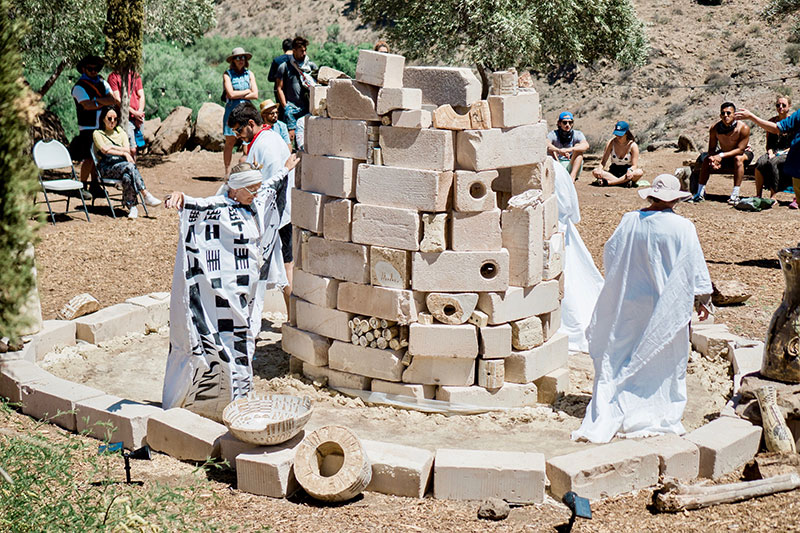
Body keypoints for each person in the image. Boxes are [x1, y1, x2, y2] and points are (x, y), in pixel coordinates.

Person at [572, 174, 712, 443]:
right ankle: (653, 407)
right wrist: (702, 298)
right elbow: (693, 267)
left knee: (622, 351)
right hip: (665, 305)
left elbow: (611, 253)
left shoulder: (629, 221)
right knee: (663, 355)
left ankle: (619, 401)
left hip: (630, 303)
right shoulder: (683, 227)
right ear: (676, 200)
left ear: (651, 196)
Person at [161, 156, 299, 421]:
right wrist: (177, 195)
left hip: (245, 293)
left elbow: (269, 187)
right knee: (225, 343)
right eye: (250, 190)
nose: (255, 194)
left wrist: (285, 169)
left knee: (245, 341)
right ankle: (221, 400)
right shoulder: (219, 206)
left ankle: (241, 398)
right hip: (222, 294)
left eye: (256, 190)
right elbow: (195, 203)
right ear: (235, 188)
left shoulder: (255, 202)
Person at [228, 102, 295, 315]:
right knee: (283, 268)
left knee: (284, 267)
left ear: (250, 123)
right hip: (272, 214)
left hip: (277, 215)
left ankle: (291, 320)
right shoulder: (265, 139)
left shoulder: (266, 144)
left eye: (239, 130)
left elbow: (276, 183)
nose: (238, 135)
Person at [553, 162, 604, 352]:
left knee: (565, 281)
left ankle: (572, 327)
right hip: (563, 229)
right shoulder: (556, 167)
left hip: (555, 231)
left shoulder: (547, 168)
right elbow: (570, 205)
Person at [93, 106, 161, 219]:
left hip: (122, 166)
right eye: (109, 118)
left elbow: (127, 149)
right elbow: (104, 150)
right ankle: (145, 194)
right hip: (106, 167)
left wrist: (112, 148)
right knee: (129, 166)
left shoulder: (121, 133)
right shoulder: (98, 133)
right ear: (103, 119)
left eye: (115, 119)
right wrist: (123, 153)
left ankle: (132, 207)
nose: (112, 121)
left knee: (127, 177)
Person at [737, 102, 800, 211]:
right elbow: (776, 128)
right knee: (762, 162)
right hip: (797, 167)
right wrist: (752, 117)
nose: (780, 107)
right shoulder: (798, 115)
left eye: (783, 105)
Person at [70, 55, 116, 196]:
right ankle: (82, 185)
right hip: (87, 128)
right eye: (90, 68)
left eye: (96, 68)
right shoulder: (79, 87)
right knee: (89, 157)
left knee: (99, 157)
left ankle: (95, 185)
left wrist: (96, 101)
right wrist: (102, 101)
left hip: (101, 126)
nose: (94, 71)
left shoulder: (102, 82)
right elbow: (87, 105)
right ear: (84, 69)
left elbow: (112, 99)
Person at [689, 102, 753, 204]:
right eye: (723, 113)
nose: (725, 116)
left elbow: (740, 150)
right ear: (720, 115)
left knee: (738, 159)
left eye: (728, 113)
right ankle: (699, 193)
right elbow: (711, 148)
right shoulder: (715, 128)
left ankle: (735, 195)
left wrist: (720, 156)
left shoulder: (743, 128)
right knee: (706, 160)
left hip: (744, 153)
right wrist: (713, 159)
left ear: (734, 114)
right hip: (724, 153)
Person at [222, 47, 259, 179]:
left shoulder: (250, 74)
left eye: (243, 57)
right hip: (232, 111)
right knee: (230, 142)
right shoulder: (227, 74)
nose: (240, 60)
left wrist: (239, 94)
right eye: (238, 58)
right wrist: (246, 91)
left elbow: (255, 94)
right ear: (233, 60)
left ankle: (248, 169)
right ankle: (227, 171)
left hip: (246, 111)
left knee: (249, 140)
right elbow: (230, 94)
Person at [275, 36, 317, 146]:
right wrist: (285, 106)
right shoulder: (284, 67)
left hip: (306, 107)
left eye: (305, 50)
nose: (304, 53)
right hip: (291, 108)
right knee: (290, 137)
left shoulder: (310, 66)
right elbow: (279, 88)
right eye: (301, 51)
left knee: (304, 138)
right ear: (294, 51)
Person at [751, 96, 793, 203]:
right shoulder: (771, 121)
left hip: (788, 151)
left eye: (784, 105)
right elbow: (768, 143)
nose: (780, 107)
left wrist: (783, 152)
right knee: (760, 163)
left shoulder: (793, 121)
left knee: (773, 163)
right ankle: (758, 194)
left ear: (789, 107)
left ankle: (773, 196)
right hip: (774, 151)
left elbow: (795, 142)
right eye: (778, 105)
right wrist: (770, 152)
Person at [591, 121, 644, 187]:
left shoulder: (633, 146)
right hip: (613, 171)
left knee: (639, 172)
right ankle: (623, 182)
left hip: (626, 172)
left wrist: (630, 170)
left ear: (626, 133)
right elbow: (603, 161)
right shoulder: (611, 143)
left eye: (620, 134)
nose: (618, 136)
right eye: (616, 134)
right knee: (595, 171)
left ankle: (609, 183)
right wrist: (599, 169)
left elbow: (634, 165)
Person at [107, 69, 146, 159]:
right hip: (125, 118)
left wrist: (139, 112)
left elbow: (141, 95)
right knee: (131, 148)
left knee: (137, 146)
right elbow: (117, 99)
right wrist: (134, 113)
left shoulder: (135, 75)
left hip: (138, 117)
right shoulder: (113, 77)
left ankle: (133, 169)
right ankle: (131, 169)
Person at [546, 111, 589, 181]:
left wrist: (569, 150)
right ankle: (559, 174)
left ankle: (572, 177)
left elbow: (586, 145)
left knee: (578, 147)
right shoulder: (553, 134)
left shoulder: (577, 134)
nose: (567, 125)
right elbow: (546, 143)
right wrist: (558, 151)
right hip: (558, 164)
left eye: (570, 122)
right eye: (565, 122)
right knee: (551, 149)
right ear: (559, 123)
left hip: (572, 165)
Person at [268, 38, 294, 115]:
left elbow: (270, 78)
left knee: (282, 114)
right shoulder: (297, 60)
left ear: (283, 49)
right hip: (295, 93)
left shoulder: (277, 60)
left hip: (280, 92)